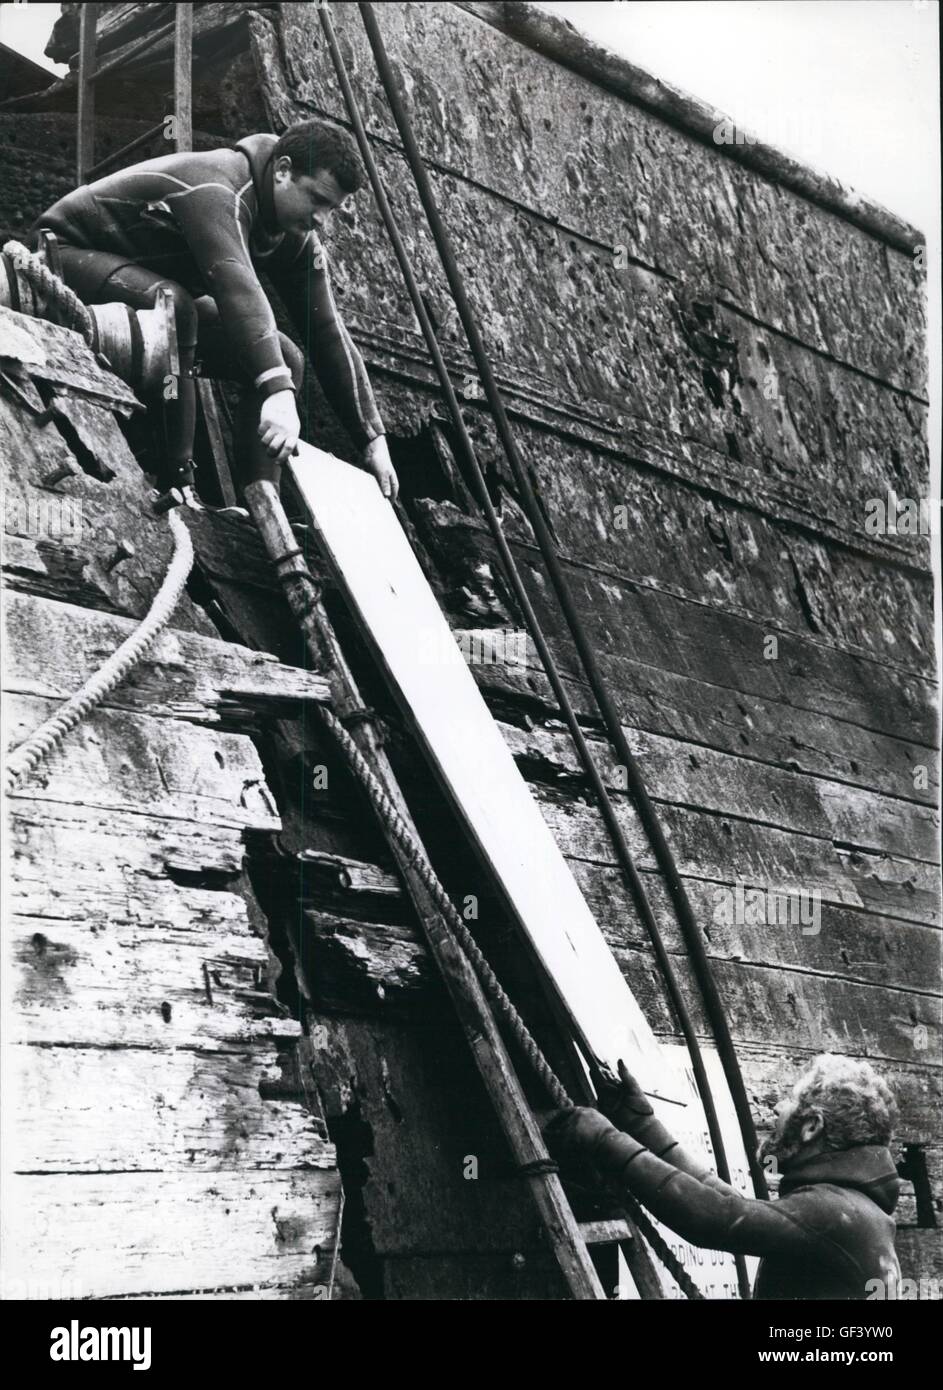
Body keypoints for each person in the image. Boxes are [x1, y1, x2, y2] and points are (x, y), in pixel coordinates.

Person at [34, 119, 398, 502]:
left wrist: (372, 437)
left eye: (333, 209)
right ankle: (178, 484)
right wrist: (276, 389)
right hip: (64, 257)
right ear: (283, 170)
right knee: (177, 309)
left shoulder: (296, 234)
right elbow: (236, 286)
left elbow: (325, 329)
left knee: (286, 357)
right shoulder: (218, 185)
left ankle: (263, 502)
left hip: (145, 286)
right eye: (317, 200)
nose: (321, 220)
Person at [546, 1053, 902, 1299]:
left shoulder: (834, 1212)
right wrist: (642, 1124)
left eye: (789, 1100)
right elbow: (734, 1205)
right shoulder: (853, 1210)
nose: (777, 1108)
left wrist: (604, 1138)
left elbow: (716, 1216)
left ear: (811, 1127)